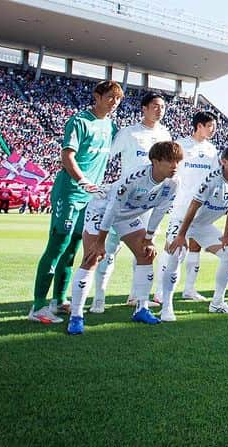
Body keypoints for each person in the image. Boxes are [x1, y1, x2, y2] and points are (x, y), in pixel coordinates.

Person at [27, 80, 123, 324]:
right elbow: (67, 156)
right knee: (58, 246)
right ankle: (38, 306)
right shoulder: (80, 121)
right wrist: (82, 181)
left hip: (91, 197)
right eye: (110, 97)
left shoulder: (110, 126)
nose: (114, 102)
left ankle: (58, 300)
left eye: (118, 99)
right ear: (97, 96)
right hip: (70, 192)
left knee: (73, 248)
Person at [66, 141, 183, 335]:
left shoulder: (174, 182)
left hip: (128, 215)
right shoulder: (135, 177)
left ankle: (141, 308)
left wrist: (148, 237)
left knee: (146, 254)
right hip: (103, 208)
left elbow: (160, 210)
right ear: (155, 161)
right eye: (170, 161)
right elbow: (112, 208)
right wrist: (100, 241)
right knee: (92, 257)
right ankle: (76, 316)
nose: (175, 166)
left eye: (178, 161)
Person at [90, 91, 172, 312]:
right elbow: (106, 158)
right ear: (143, 108)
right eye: (155, 105)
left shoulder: (165, 134)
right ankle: (99, 297)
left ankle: (136, 296)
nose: (159, 110)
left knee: (144, 250)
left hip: (148, 203)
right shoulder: (128, 133)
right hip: (123, 200)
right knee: (108, 250)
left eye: (162, 106)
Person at [162, 144, 228, 318]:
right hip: (182, 220)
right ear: (224, 161)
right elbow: (193, 206)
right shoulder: (211, 179)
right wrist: (181, 235)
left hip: (203, 225)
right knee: (176, 254)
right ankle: (166, 307)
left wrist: (226, 236)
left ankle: (217, 303)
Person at [155, 110, 220, 304]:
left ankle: (189, 289)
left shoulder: (212, 150)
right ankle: (160, 291)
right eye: (210, 126)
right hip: (181, 206)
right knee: (172, 248)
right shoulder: (181, 146)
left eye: (214, 127)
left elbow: (214, 177)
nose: (213, 130)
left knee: (195, 248)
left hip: (201, 209)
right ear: (199, 125)